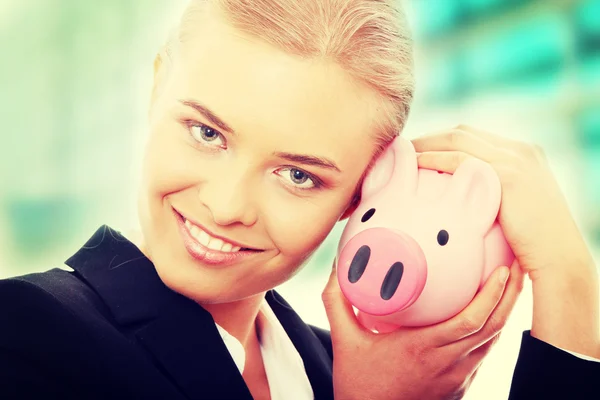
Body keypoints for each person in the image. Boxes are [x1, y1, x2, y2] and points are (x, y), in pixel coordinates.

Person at [0, 0, 598, 399]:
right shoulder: (28, 330)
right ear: (158, 88)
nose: (229, 205)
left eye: (298, 175)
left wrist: (570, 284)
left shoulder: (349, 367)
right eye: (207, 133)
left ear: (364, 188)